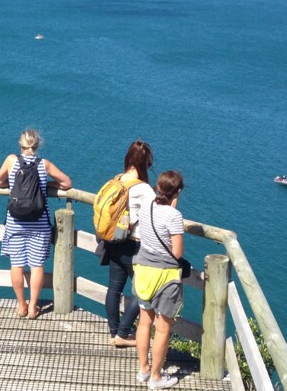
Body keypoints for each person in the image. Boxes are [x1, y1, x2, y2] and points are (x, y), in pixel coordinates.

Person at [0, 129, 72, 319]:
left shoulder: (11, 160)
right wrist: (47, 185)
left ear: (20, 145)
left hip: (15, 222)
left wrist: (13, 186)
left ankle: (21, 305)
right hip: (39, 223)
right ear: (37, 146)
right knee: (37, 265)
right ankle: (33, 308)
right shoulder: (44, 165)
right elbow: (67, 183)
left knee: (17, 265)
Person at [133, 171, 185, 389]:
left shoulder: (146, 207)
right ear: (178, 192)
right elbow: (177, 252)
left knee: (145, 322)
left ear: (157, 188)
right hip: (165, 277)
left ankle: (144, 369)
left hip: (143, 269)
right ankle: (156, 377)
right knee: (162, 328)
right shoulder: (175, 217)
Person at [103, 140, 156, 348]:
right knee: (144, 291)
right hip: (134, 245)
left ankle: (115, 331)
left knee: (114, 290)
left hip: (114, 242)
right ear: (145, 163)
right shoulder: (143, 189)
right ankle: (123, 334)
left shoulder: (116, 180)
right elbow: (156, 214)